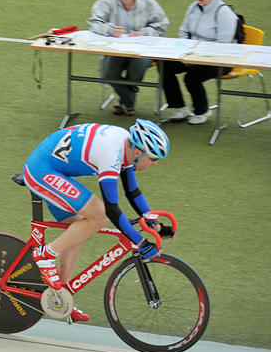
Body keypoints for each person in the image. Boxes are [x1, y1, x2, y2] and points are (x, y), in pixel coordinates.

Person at [22, 119, 174, 322]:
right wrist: (140, 242)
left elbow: (132, 191)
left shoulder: (125, 145)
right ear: (138, 152)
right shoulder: (110, 154)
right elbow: (111, 210)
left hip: (54, 169)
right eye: (154, 158)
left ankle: (61, 297)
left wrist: (154, 222)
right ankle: (45, 255)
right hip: (42, 170)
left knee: (79, 232)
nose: (155, 163)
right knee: (99, 216)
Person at [88, 0, 169, 115]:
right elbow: (94, 21)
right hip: (116, 49)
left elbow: (162, 24)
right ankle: (128, 101)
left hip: (143, 49)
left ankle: (124, 101)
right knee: (109, 74)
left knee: (135, 72)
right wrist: (110, 30)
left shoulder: (147, 1)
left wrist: (142, 33)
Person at [163, 0, 238, 125]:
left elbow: (224, 45)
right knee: (165, 65)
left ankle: (202, 110)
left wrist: (196, 59)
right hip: (192, 55)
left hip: (220, 60)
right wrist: (185, 53)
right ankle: (179, 107)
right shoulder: (193, 7)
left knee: (191, 77)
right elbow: (184, 31)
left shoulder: (223, 13)